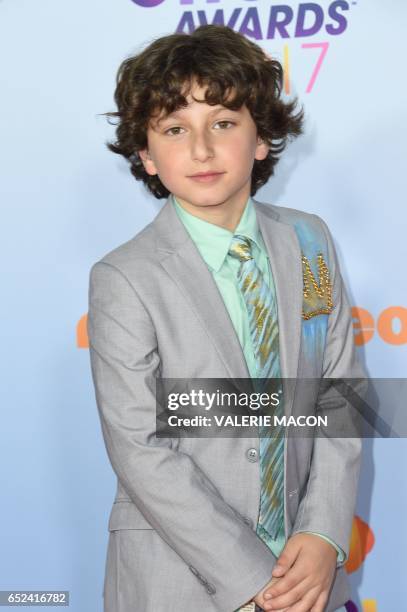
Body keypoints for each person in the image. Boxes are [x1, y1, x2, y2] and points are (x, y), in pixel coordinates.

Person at [87, 24, 365, 612]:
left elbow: (340, 394)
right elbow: (140, 445)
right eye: (174, 129)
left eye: (223, 122)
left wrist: (321, 535)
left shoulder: (310, 240)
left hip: (306, 574)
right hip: (177, 576)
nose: (201, 149)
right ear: (146, 155)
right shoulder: (125, 276)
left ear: (261, 137)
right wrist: (251, 577)